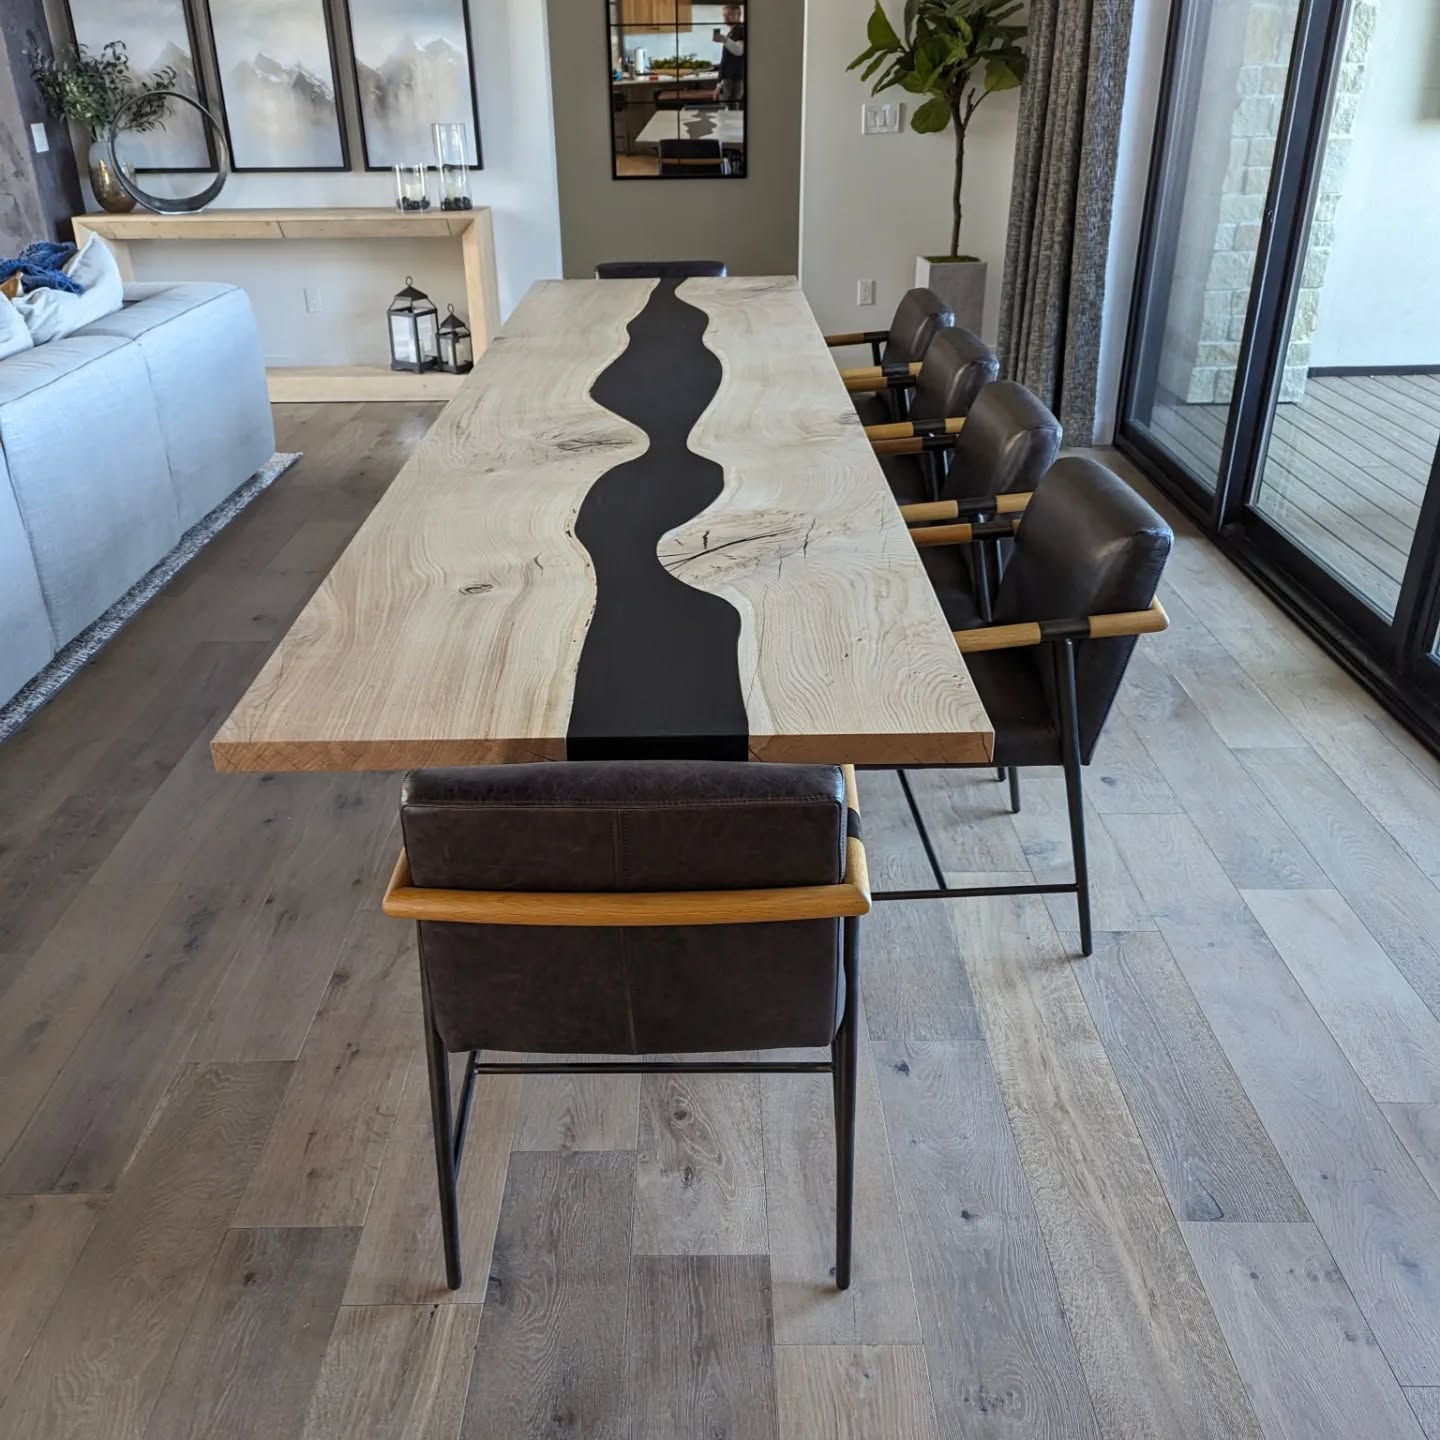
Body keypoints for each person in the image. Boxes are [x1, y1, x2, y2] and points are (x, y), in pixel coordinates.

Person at [713, 4, 745, 108]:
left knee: (730, 113)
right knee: (727, 111)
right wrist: (719, 83)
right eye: (724, 15)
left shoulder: (741, 30)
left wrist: (725, 40)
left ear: (738, 15)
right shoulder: (732, 32)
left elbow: (739, 50)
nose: (726, 17)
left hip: (735, 79)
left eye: (730, 15)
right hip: (728, 78)